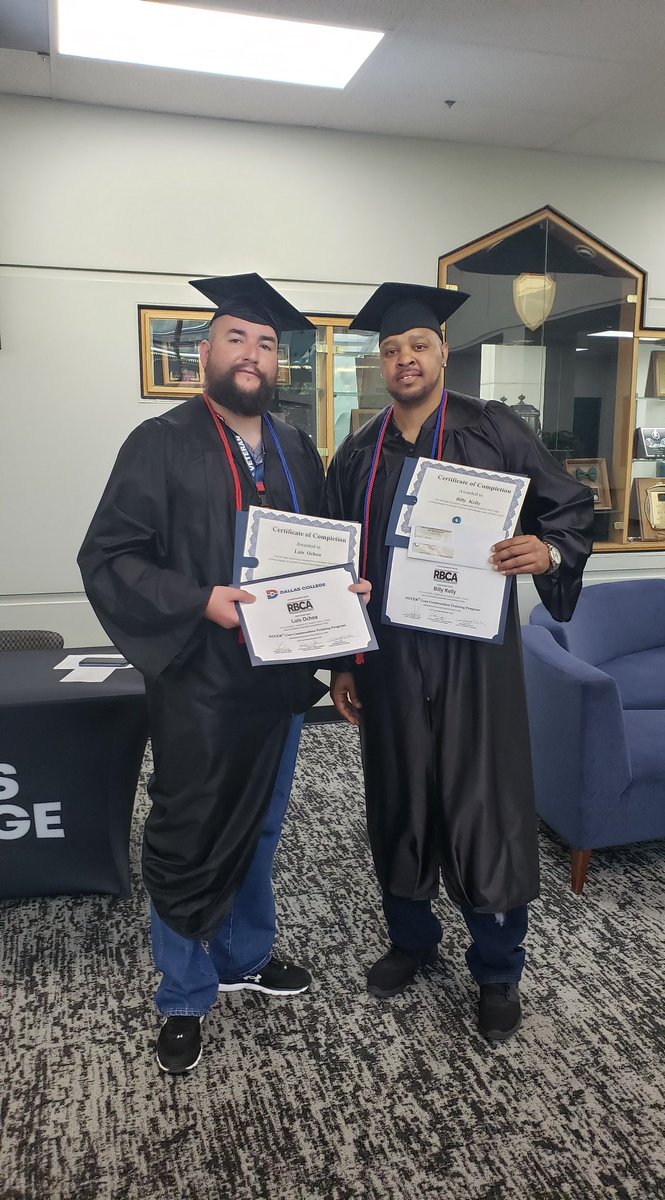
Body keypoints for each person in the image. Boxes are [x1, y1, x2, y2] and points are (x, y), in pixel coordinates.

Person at [326, 282, 594, 1042]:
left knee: (483, 803)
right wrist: (345, 663)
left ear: (443, 352)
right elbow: (336, 565)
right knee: (398, 796)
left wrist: (546, 548)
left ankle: (498, 967)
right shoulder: (358, 451)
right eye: (390, 350)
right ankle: (412, 940)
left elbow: (568, 506)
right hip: (388, 657)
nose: (404, 359)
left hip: (476, 659)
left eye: (417, 346)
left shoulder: (495, 429)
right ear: (379, 363)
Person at [79, 274, 332, 1075]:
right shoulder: (160, 441)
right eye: (236, 339)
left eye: (265, 343)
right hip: (199, 680)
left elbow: (321, 546)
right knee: (190, 833)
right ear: (204, 355)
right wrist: (202, 600)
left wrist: (342, 590)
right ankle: (185, 991)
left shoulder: (297, 447)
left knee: (259, 822)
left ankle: (245, 957)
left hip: (279, 678)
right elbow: (110, 557)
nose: (253, 355)